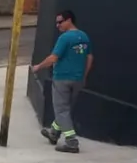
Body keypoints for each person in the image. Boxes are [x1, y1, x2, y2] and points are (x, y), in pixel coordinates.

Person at [31, 10, 93, 153]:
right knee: (66, 108)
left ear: (69, 20)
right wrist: (84, 76)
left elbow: (53, 58)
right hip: (78, 79)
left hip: (62, 79)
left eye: (60, 22)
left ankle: (72, 142)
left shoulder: (65, 38)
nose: (58, 25)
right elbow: (89, 58)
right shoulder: (84, 37)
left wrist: (38, 66)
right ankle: (53, 133)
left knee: (61, 110)